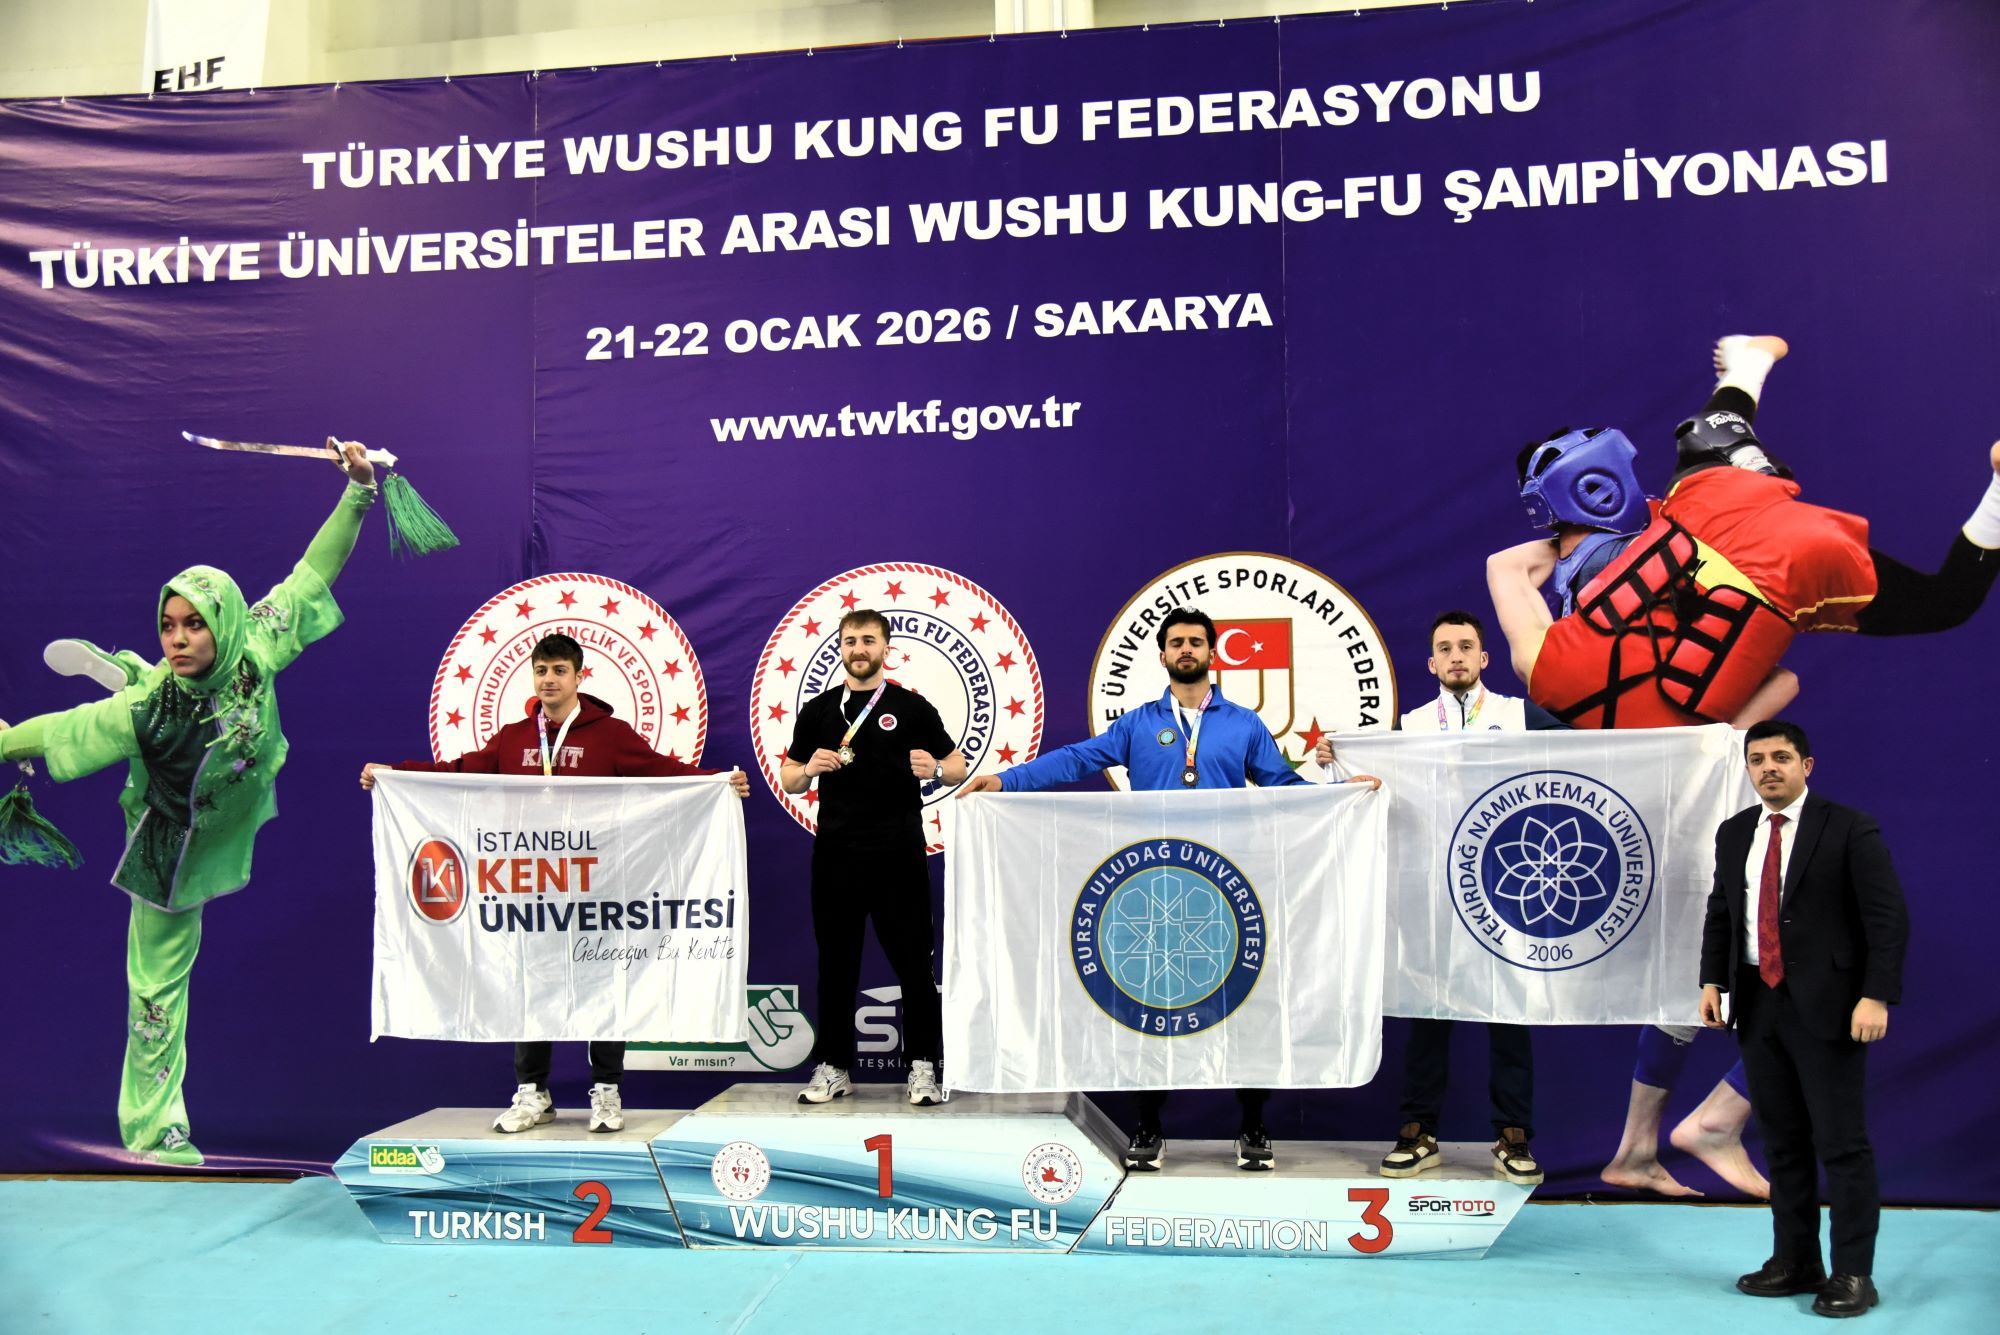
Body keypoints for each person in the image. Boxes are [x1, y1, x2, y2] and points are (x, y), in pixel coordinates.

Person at [0, 441, 381, 1165]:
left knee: (149, 683)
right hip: (167, 842)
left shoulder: (256, 645)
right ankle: (156, 1130)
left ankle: (125, 665)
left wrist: (360, 489)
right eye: (168, 626)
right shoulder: (146, 714)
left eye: (193, 624)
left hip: (224, 810)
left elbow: (313, 571)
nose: (179, 636)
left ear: (223, 623)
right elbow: (63, 731)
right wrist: (7, 741)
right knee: (155, 991)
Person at [965, 607, 1375, 1173]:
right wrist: (1007, 780)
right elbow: (1079, 759)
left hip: (1229, 884)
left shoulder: (1244, 723)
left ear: (1212, 653)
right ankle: (1148, 1127)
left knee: (1243, 1004)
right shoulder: (1138, 723)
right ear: (1162, 655)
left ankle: (1252, 1126)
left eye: (1196, 642)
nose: (1186, 649)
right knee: (1150, 1007)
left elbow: (1284, 786)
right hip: (1156, 884)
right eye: (1177, 642)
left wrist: (1343, 792)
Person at [1487, 334, 2000, 730]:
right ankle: (1748, 372)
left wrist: (1721, 736)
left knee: (1945, 602)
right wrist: (1570, 532)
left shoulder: (1645, 715)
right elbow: (1505, 565)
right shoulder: (1542, 660)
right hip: (1706, 506)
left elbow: (1785, 681)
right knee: (1707, 440)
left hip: (1778, 570)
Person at [359, 632, 750, 1135]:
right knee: (529, 983)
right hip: (532, 888)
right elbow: (459, 771)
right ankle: (532, 1093)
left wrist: (718, 781)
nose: (549, 679)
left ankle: (607, 1091)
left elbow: (663, 773)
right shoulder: (514, 737)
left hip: (599, 887)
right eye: (541, 670)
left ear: (579, 676)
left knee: (607, 984)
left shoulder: (611, 734)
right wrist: (396, 774)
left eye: (560, 670)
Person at [1316, 610, 1544, 1187]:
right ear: (1431, 663)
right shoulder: (1411, 726)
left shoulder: (1518, 717)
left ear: (1484, 658)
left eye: (1466, 647)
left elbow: (1601, 754)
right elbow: (1366, 778)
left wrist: (1684, 745)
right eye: (1446, 648)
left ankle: (1513, 1135)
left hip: (1504, 890)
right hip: (1432, 894)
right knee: (1426, 1014)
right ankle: (1419, 1132)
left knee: (1508, 1015)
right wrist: (1333, 760)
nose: (1456, 656)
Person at [1700, 720, 1906, 1319]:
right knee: (1782, 1142)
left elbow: (1886, 919)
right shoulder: (1735, 832)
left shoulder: (1849, 827)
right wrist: (1712, 980)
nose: (1769, 767)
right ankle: (1795, 1260)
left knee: (1841, 1144)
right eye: (1757, 759)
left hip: (1832, 1007)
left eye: (1782, 757)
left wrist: (1876, 995)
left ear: (1805, 766)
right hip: (1756, 1003)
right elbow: (1722, 910)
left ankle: (1853, 1273)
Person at [780, 609, 967, 1109]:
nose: (858, 649)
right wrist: (807, 769)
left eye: (868, 640)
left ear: (886, 648)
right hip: (836, 856)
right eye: (849, 641)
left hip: (898, 854)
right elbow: (789, 776)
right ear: (840, 648)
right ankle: (834, 1067)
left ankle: (923, 1066)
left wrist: (936, 768)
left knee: (914, 966)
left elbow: (956, 765)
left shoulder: (911, 706)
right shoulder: (820, 710)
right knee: (836, 965)